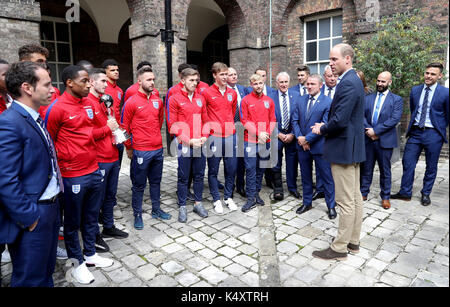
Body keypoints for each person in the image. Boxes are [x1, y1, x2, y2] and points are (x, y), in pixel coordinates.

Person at [46, 65, 113, 284]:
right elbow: (50, 140)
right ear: (69, 83)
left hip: (93, 168)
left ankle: (91, 254)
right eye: (84, 81)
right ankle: (77, 263)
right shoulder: (57, 108)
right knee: (73, 223)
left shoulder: (88, 104)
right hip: (72, 174)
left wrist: (105, 131)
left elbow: (89, 132)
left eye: (88, 81)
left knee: (92, 217)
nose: (88, 84)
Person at [0, 61, 60, 286]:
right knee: (30, 278)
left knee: (45, 271)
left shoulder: (34, 117)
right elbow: (5, 179)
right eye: (47, 84)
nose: (53, 89)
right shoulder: (9, 122)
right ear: (27, 87)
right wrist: (29, 217)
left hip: (51, 208)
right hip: (34, 213)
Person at [311, 43, 365, 260]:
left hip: (344, 149)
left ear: (348, 59)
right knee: (354, 197)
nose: (330, 63)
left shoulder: (349, 83)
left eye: (334, 59)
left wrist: (321, 128)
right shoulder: (352, 81)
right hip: (350, 147)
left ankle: (340, 247)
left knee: (345, 200)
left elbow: (340, 120)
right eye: (330, 59)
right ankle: (353, 241)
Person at [391, 63, 449, 206]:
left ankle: (426, 193)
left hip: (434, 134)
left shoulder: (445, 93)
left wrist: (439, 128)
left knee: (431, 165)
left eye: (433, 74)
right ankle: (405, 192)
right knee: (407, 162)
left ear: (440, 76)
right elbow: (413, 108)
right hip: (416, 132)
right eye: (427, 73)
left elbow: (447, 115)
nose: (428, 76)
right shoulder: (415, 90)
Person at [122, 66, 171, 229]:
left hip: (157, 148)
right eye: (148, 80)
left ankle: (156, 209)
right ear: (139, 81)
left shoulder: (158, 100)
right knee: (139, 184)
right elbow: (124, 128)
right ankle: (137, 214)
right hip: (141, 150)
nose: (152, 82)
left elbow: (159, 121)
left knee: (156, 181)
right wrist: (129, 147)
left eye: (153, 80)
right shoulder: (131, 102)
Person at [86, 68, 128, 251]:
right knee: (96, 199)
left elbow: (113, 123)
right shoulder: (87, 103)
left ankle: (108, 226)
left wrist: (118, 131)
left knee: (111, 195)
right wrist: (108, 129)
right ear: (92, 82)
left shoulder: (104, 101)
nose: (106, 84)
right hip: (99, 158)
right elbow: (87, 134)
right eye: (102, 81)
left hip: (112, 154)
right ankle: (94, 235)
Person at [167, 68, 209, 223]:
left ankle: (198, 203)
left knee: (199, 175)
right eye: (191, 80)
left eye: (196, 80)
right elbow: (173, 125)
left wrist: (205, 136)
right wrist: (189, 141)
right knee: (183, 177)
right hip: (185, 144)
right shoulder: (174, 99)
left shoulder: (200, 98)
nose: (194, 83)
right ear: (183, 81)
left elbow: (205, 119)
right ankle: (183, 206)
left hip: (200, 143)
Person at [292, 74, 336, 219]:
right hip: (302, 146)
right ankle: (307, 202)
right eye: (308, 84)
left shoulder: (328, 102)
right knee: (305, 176)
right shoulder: (300, 99)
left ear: (320, 85)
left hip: (319, 146)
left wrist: (307, 140)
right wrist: (300, 138)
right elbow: (295, 121)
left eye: (312, 84)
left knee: (326, 177)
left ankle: (330, 206)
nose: (309, 86)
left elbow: (324, 124)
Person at [360, 71, 403, 209]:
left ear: (389, 82)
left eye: (383, 82)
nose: (379, 84)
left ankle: (385, 197)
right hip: (368, 139)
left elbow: (394, 119)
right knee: (366, 168)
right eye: (378, 81)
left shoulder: (396, 99)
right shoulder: (367, 98)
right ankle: (363, 192)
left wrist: (376, 131)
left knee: (385, 170)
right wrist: (369, 130)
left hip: (385, 140)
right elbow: (361, 116)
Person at [203, 62, 238, 213]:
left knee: (231, 169)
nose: (225, 77)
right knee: (213, 170)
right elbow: (203, 114)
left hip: (230, 136)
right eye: (222, 74)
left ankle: (228, 197)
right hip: (214, 137)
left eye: (227, 74)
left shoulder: (232, 93)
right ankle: (216, 199)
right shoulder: (207, 93)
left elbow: (232, 111)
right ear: (214, 75)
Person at [240, 73, 277, 212]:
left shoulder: (269, 101)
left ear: (264, 83)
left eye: (260, 83)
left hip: (264, 141)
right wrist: (258, 133)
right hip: (250, 141)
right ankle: (250, 199)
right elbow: (244, 121)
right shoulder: (245, 101)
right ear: (251, 85)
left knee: (261, 169)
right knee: (250, 170)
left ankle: (256, 193)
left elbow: (273, 119)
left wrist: (267, 134)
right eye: (255, 84)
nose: (258, 86)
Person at [268, 72, 300, 200]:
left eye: (286, 82)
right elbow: (268, 119)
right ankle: (278, 189)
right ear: (277, 83)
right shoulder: (270, 97)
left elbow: (299, 117)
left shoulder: (297, 96)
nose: (284, 84)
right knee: (276, 163)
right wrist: (278, 134)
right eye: (281, 82)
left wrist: (293, 134)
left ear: (289, 82)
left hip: (292, 134)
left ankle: (292, 188)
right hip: (277, 134)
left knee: (292, 163)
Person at [227, 67, 248, 197]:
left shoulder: (242, 90)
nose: (234, 76)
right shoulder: (224, 92)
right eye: (231, 75)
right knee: (230, 160)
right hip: (229, 129)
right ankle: (230, 186)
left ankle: (240, 185)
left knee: (241, 159)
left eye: (235, 74)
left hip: (242, 128)